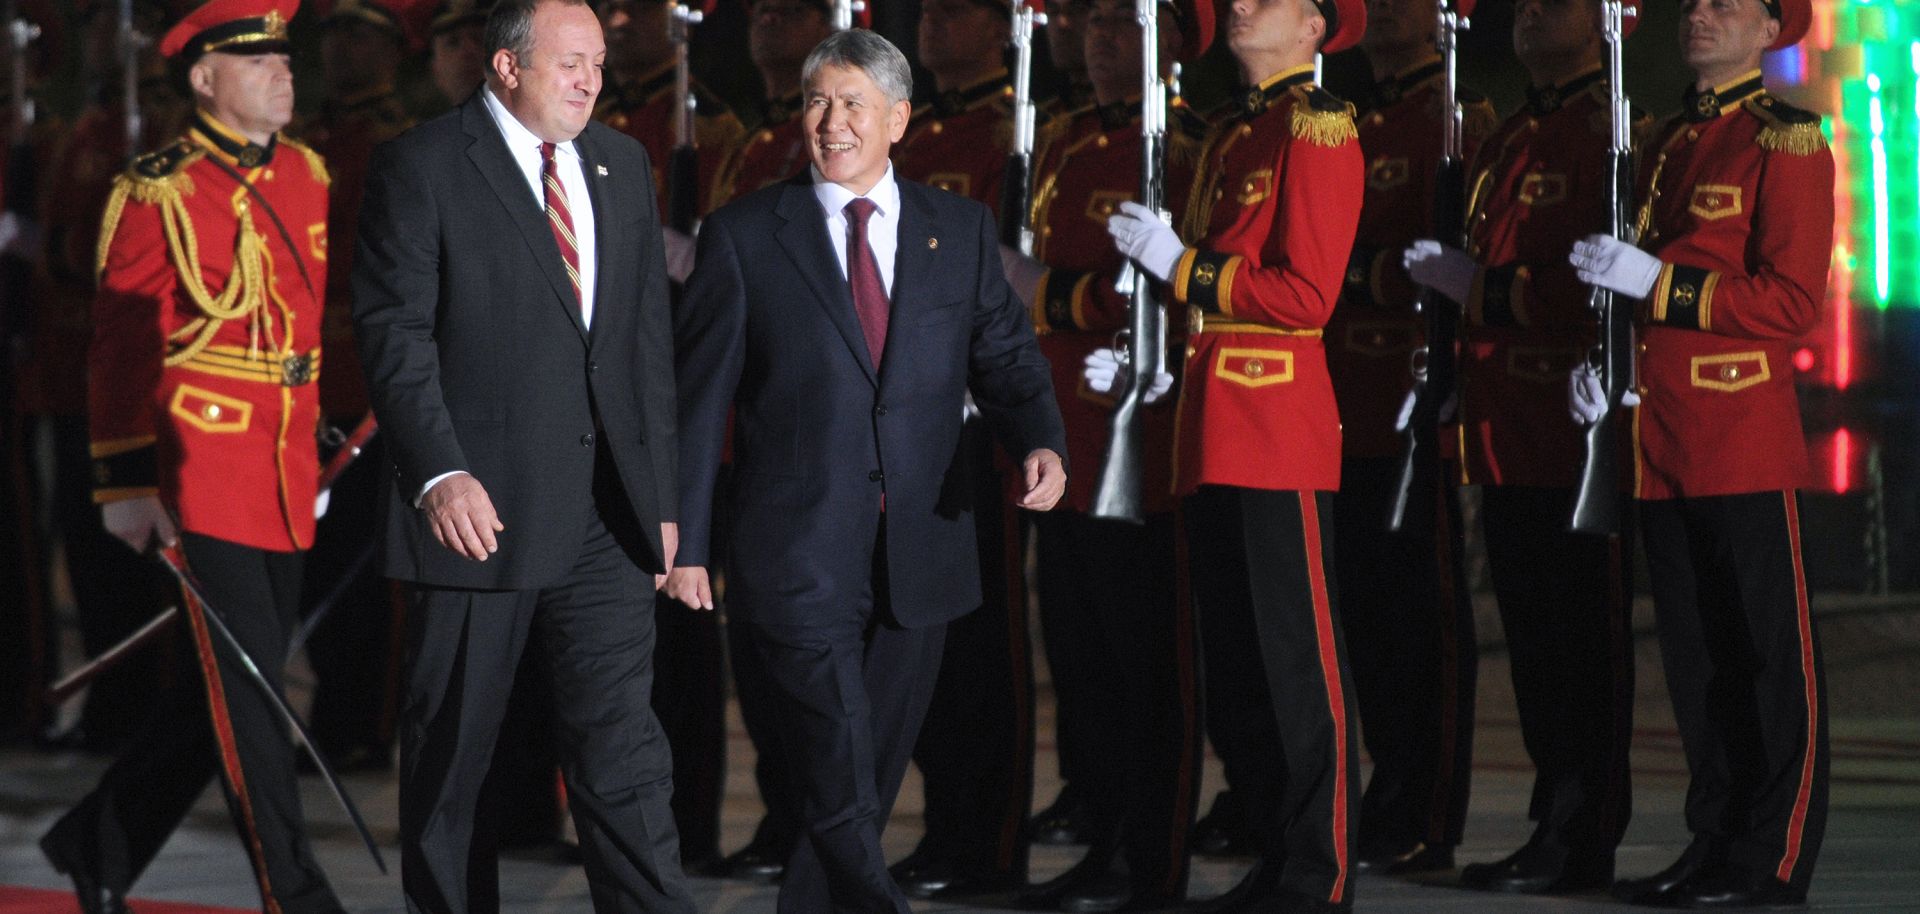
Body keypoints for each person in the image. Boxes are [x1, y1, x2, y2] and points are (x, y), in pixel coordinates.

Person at [668, 28, 1067, 914]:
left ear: (899, 118)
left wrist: (1040, 439)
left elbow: (1005, 357)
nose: (832, 123)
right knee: (835, 749)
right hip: (796, 547)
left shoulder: (956, 231)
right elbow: (697, 406)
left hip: (922, 546)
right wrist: (686, 542)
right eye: (816, 102)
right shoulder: (742, 238)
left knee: (870, 765)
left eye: (853, 105)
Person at [349, 0, 696, 908]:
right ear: (506, 67)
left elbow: (643, 349)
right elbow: (394, 335)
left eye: (597, 62)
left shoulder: (622, 164)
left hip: (606, 516)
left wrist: (661, 497)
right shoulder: (422, 165)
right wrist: (437, 470)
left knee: (623, 750)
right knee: (456, 755)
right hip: (478, 514)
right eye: (569, 61)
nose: (591, 79)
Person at [35, 0, 345, 910]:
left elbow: (302, 325)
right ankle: (297, 892)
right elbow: (121, 346)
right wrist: (126, 483)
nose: (284, 75)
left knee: (229, 683)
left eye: (286, 59)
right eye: (258, 63)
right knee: (255, 696)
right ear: (206, 80)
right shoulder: (158, 188)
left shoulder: (310, 173)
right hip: (200, 462)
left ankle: (97, 842)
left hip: (285, 465)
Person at [1100, 0, 1365, 908]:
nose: (1240, 5)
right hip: (1209, 422)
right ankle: (1273, 855)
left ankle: (1319, 873)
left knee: (1297, 666)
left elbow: (1306, 294)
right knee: (1244, 669)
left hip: (1277, 427)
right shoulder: (1232, 133)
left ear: (1316, 24)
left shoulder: (1318, 128)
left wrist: (1183, 267)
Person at [1569, 0, 1830, 906]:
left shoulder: (1784, 142)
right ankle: (1712, 841)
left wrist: (1662, 285)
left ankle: (1774, 854)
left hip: (1740, 440)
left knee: (1765, 661)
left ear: (1771, 30)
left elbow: (1791, 302)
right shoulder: (1665, 141)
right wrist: (1600, 366)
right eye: (1697, 3)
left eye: (1729, 5)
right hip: (1657, 435)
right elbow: (1622, 281)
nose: (1701, 16)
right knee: (1698, 665)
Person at [1402, 0, 1640, 894]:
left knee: (1584, 642)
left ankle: (1583, 829)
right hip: (1503, 423)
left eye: (1558, 4)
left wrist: (1484, 293)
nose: (1532, 15)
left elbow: (1599, 277)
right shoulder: (1505, 139)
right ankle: (1554, 815)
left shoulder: (1612, 131)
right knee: (1536, 639)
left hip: (1568, 425)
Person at [996, 0, 1210, 907]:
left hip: (1141, 438)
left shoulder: (1188, 144)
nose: (1100, 39)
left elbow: (1167, 285)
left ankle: (1146, 856)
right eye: (1090, 23)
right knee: (1081, 658)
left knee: (1144, 664)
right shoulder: (1066, 140)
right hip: (1064, 438)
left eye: (1123, 22)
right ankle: (1105, 832)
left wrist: (1048, 299)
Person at [1326, 0, 1494, 877]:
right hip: (1344, 399)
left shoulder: (1457, 117)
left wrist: (1362, 274)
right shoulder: (1354, 118)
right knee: (1366, 613)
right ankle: (1390, 794)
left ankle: (1430, 809)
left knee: (1420, 615)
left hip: (1408, 391)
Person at [889, 0, 1042, 899]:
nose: (937, 26)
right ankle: (948, 825)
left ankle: (989, 838)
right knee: (926, 650)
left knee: (987, 657)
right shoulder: (912, 128)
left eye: (959, 12)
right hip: (908, 423)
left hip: (975, 427)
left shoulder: (1009, 134)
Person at [697, 0, 840, 884]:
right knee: (754, 640)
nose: (764, 28)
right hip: (739, 419)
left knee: (812, 645)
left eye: (790, 14)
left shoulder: (816, 147)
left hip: (807, 424)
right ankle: (783, 812)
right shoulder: (751, 145)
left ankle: (819, 826)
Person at [296, 0, 417, 774]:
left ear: (392, 51)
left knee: (367, 574)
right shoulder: (304, 139)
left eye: (360, 34)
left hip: (368, 387)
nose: (341, 48)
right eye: (334, 31)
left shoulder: (399, 142)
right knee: (312, 563)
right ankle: (329, 711)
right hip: (301, 383)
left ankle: (367, 720)